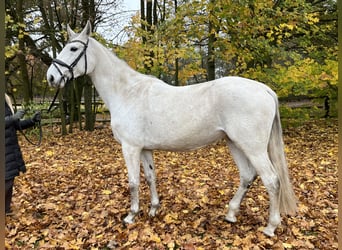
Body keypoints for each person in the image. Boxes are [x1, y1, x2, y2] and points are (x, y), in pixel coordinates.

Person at [5, 94, 41, 214]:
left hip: (9, 147)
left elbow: (14, 125)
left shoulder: (5, 100)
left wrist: (32, 120)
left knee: (10, 178)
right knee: (6, 179)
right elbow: (10, 121)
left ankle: (6, 210)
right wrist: (13, 118)